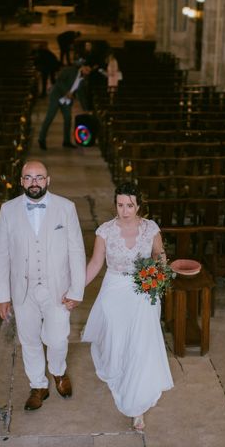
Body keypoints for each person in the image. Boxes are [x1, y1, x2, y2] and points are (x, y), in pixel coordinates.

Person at [0, 160, 86, 411]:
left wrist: (77, 290)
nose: (34, 182)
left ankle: (58, 371)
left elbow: (77, 251)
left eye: (39, 177)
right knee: (29, 338)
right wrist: (2, 296)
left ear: (48, 180)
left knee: (57, 338)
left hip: (58, 288)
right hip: (22, 290)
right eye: (28, 177)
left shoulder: (66, 208)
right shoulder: (8, 210)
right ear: (21, 181)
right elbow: (1, 254)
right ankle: (38, 385)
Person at [82, 182, 174, 431]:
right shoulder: (105, 232)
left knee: (140, 346)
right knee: (117, 341)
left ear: (139, 206)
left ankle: (137, 406)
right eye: (120, 205)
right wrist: (74, 289)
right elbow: (95, 264)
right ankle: (119, 373)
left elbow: (160, 254)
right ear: (115, 205)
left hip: (143, 292)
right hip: (114, 292)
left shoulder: (150, 228)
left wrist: (158, 273)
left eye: (130, 205)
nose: (125, 210)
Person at [38, 62, 93, 150]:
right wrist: (66, 92)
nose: (87, 72)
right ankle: (41, 139)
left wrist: (86, 109)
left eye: (89, 72)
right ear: (82, 67)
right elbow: (59, 81)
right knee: (50, 117)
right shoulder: (71, 70)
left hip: (67, 100)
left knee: (68, 119)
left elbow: (82, 95)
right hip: (57, 96)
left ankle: (66, 141)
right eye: (86, 70)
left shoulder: (82, 80)